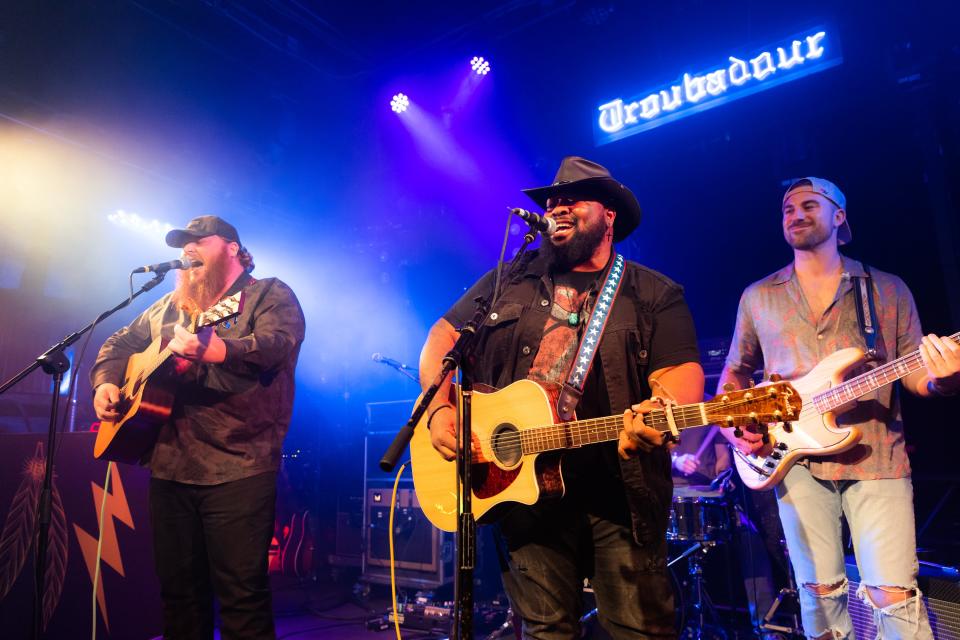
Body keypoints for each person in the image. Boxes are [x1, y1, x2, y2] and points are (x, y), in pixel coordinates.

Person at [420, 156, 704, 639]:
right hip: (522, 494)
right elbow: (441, 340)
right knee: (545, 632)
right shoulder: (509, 280)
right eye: (553, 199)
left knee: (639, 631)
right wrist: (440, 409)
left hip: (621, 494)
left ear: (609, 214)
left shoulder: (651, 293)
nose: (557, 206)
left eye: (574, 198)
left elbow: (681, 373)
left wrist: (658, 411)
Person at [718, 177, 960, 639]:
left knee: (893, 594)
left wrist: (942, 379)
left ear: (839, 216)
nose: (796, 214)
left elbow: (913, 373)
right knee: (819, 594)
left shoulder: (887, 290)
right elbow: (734, 373)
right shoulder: (758, 296)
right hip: (795, 461)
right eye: (788, 209)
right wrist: (736, 426)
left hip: (879, 457)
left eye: (810, 205)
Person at [91, 215, 306, 640]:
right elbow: (120, 343)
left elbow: (276, 346)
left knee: (241, 599)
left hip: (240, 465)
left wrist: (221, 349)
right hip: (171, 465)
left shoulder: (267, 294)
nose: (186, 250)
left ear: (231, 248)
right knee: (179, 597)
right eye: (182, 245)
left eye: (197, 242)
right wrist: (107, 382)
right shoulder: (170, 306)